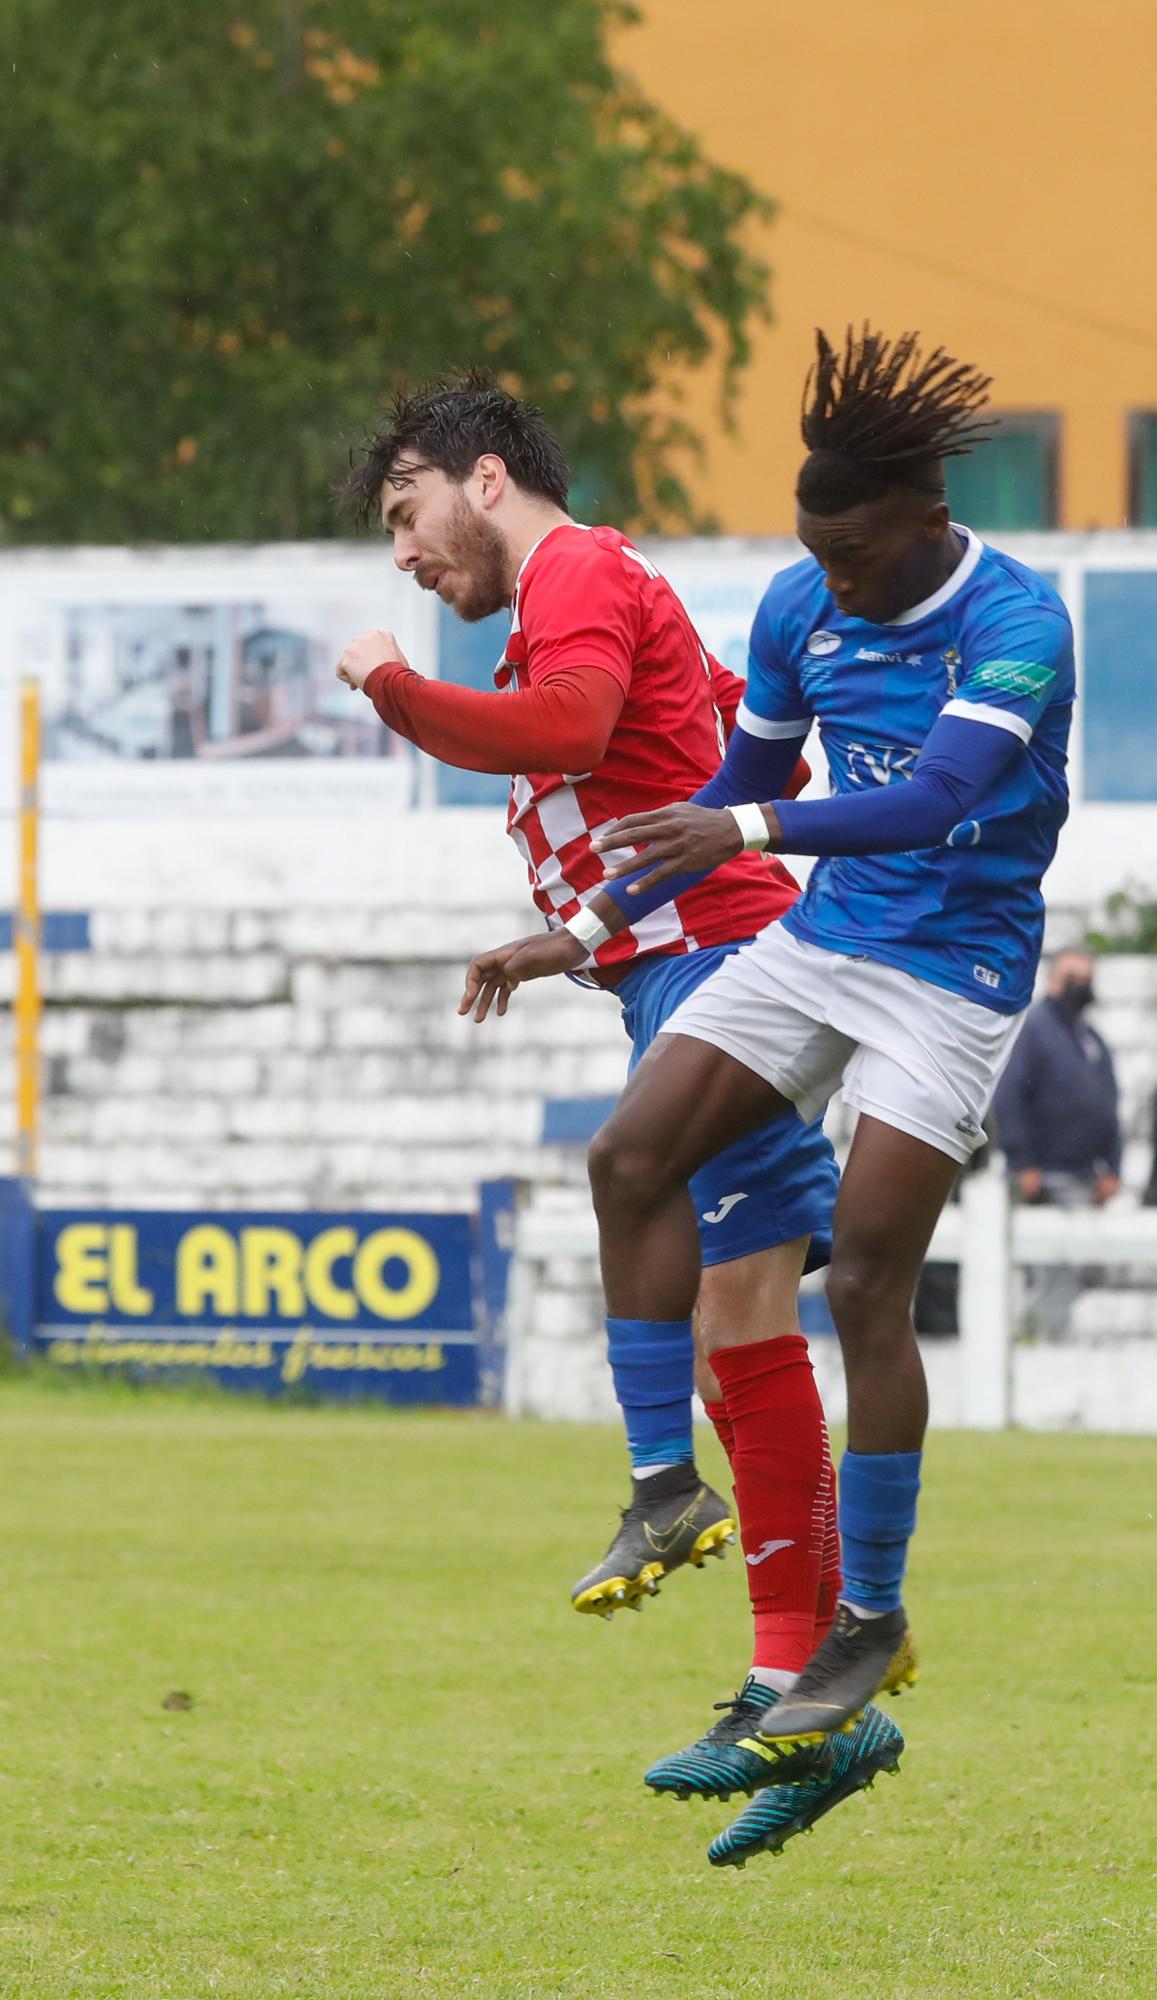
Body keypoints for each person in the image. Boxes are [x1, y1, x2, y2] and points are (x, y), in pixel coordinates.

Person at [461, 328, 1075, 1819]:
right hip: (823, 936)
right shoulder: (802, 600)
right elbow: (744, 778)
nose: (836, 582)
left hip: (954, 969)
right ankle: (667, 1488)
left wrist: (740, 839)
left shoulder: (1016, 620)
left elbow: (932, 797)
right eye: (819, 555)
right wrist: (588, 923)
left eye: (858, 556)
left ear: (926, 519)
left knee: (863, 1281)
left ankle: (865, 1624)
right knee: (629, 1158)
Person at [336, 372, 900, 1869]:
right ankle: (810, 1690)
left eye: (407, 513)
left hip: (732, 965)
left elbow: (566, 725)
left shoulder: (574, 568)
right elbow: (675, 774)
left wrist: (391, 684)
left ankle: (678, 1510)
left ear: (484, 480)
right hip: (692, 955)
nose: (404, 553)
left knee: (650, 1199)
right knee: (740, 1322)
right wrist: (571, 935)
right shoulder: (576, 589)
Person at [994, 947, 1121, 1337]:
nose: (1080, 987)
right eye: (1072, 978)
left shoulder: (1090, 1037)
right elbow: (1009, 1097)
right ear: (1052, 980)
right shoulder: (1033, 1029)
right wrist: (1022, 1163)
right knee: (1052, 1276)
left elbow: (1109, 1105)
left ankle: (1051, 1348)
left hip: (1085, 1178)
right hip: (1045, 1178)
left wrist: (1113, 1169)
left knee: (1074, 1275)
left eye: (1087, 979)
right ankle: (1037, 1347)